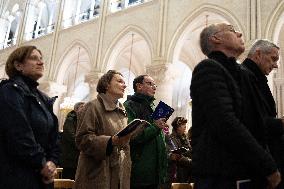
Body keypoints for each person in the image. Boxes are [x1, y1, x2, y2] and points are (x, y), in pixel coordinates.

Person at [190, 23, 281, 189]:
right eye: (232, 30)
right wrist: (268, 166)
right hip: (219, 174)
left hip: (243, 170)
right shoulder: (208, 68)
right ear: (216, 38)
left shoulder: (241, 73)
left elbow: (255, 125)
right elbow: (226, 123)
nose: (239, 33)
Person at [0, 45, 60, 189]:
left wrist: (52, 162)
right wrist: (42, 163)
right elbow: (18, 133)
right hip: (16, 175)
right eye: (34, 58)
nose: (41, 62)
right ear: (18, 65)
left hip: (41, 175)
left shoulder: (43, 98)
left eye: (41, 59)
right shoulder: (10, 91)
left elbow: (54, 136)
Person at [74, 70, 132, 189]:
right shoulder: (92, 106)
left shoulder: (122, 111)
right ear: (106, 85)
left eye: (124, 82)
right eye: (120, 81)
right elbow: (82, 139)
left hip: (119, 172)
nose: (125, 85)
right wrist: (110, 141)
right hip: (97, 172)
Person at [242, 39, 284, 188]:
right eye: (273, 59)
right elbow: (248, 123)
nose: (276, 65)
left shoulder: (257, 79)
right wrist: (281, 123)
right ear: (258, 54)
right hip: (255, 167)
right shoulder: (244, 77)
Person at [124, 74, 168, 189]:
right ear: (139, 86)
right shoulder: (129, 106)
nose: (154, 87)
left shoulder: (153, 106)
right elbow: (134, 136)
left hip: (157, 171)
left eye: (155, 85)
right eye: (150, 84)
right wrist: (156, 127)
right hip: (141, 170)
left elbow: (157, 136)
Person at [164, 117, 192, 189]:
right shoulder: (170, 138)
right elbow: (175, 156)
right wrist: (191, 162)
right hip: (176, 173)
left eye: (185, 124)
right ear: (177, 127)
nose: (185, 126)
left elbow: (189, 150)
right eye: (182, 124)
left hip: (187, 171)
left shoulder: (185, 138)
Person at [60, 102, 85, 179]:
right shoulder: (70, 120)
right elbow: (72, 137)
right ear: (76, 109)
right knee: (68, 181)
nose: (85, 110)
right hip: (69, 159)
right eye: (83, 108)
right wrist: (84, 145)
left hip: (77, 158)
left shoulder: (81, 120)